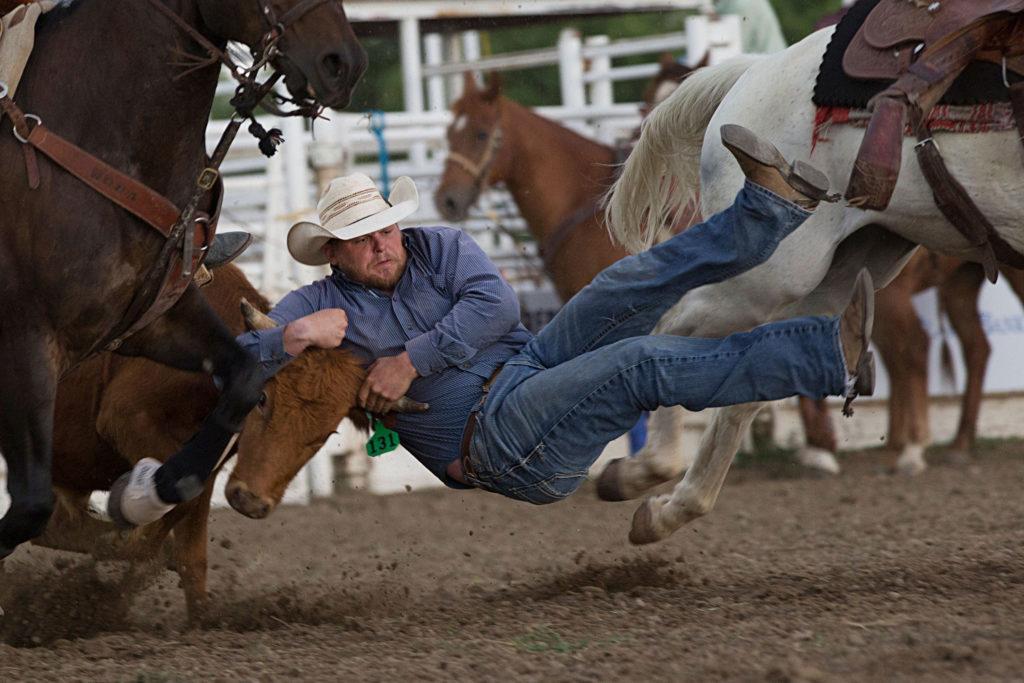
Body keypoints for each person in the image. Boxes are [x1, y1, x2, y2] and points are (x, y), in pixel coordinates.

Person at [115, 125, 874, 516]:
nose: (382, 244)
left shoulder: (435, 246)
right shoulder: (319, 307)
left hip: (529, 367)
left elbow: (496, 306)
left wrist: (409, 358)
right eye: (362, 239)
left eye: (383, 227)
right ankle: (829, 355)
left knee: (630, 279)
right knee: (640, 361)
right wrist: (288, 336)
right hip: (502, 442)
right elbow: (241, 358)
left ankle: (765, 214)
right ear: (335, 255)